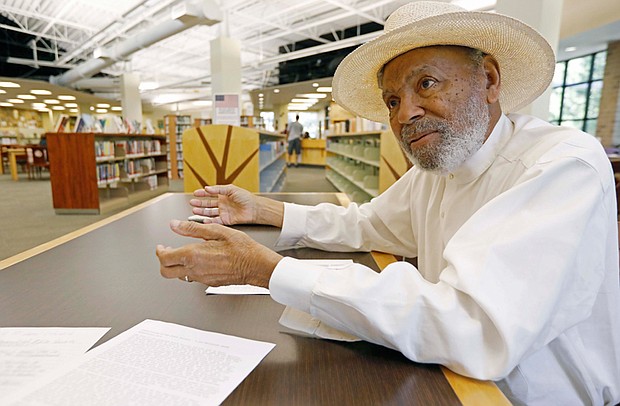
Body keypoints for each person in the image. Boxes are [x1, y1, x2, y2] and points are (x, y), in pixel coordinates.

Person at [156, 2, 620, 404]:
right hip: (449, 374)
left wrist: (267, 270)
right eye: (393, 100)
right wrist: (261, 210)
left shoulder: (560, 166)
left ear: (490, 80)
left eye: (427, 84)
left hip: (527, 394)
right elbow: (369, 224)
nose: (405, 115)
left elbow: (473, 325)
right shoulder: (440, 168)